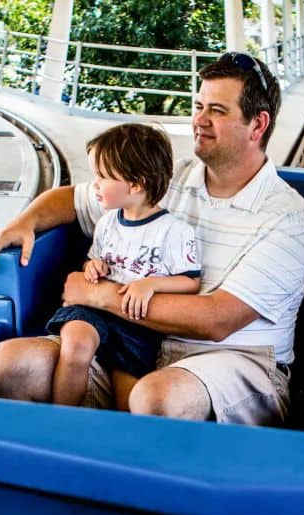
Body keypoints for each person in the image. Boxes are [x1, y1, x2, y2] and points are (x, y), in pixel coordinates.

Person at [0, 52, 304, 425]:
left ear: (258, 125)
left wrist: (98, 294)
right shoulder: (166, 180)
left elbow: (217, 319)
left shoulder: (289, 217)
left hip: (234, 361)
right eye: (198, 106)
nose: (199, 121)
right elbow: (73, 201)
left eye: (217, 111)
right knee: (5, 366)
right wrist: (25, 222)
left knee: (156, 398)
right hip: (134, 345)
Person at [46, 124, 202, 410]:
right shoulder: (107, 223)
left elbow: (191, 282)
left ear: (136, 184)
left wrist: (151, 284)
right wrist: (93, 266)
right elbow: (95, 259)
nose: (95, 184)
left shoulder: (174, 230)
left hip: (138, 326)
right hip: (95, 311)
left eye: (103, 177)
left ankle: (113, 445)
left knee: (128, 392)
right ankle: (60, 422)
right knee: (77, 342)